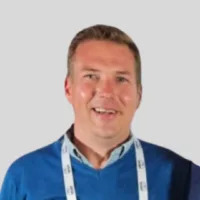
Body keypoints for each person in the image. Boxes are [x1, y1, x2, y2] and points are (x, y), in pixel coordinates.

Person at [0, 24, 200, 200]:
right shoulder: (24, 177)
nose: (106, 92)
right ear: (68, 88)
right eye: (91, 76)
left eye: (121, 79)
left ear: (139, 94)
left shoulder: (183, 177)